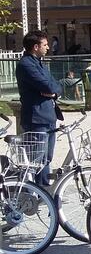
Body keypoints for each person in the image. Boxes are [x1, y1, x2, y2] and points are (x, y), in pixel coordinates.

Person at [15, 31, 63, 186]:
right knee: (37, 158)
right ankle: (34, 192)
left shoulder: (39, 62)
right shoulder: (26, 64)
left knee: (47, 158)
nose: (48, 47)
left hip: (48, 116)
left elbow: (56, 85)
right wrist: (51, 90)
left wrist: (53, 93)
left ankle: (44, 191)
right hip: (36, 118)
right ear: (36, 47)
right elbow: (47, 85)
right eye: (45, 44)